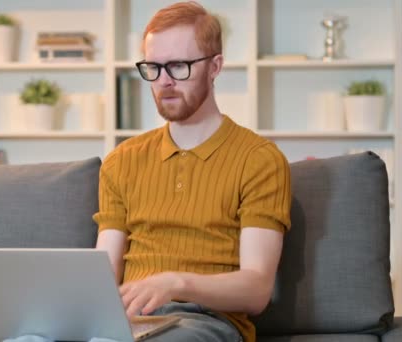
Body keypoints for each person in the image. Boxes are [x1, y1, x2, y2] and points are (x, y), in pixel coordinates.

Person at [93, 2, 292, 342]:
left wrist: (175, 284)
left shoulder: (259, 159)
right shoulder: (122, 160)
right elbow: (100, 276)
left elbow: (257, 289)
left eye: (179, 66)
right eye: (153, 68)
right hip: (128, 323)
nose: (164, 81)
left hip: (203, 322)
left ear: (215, 66)